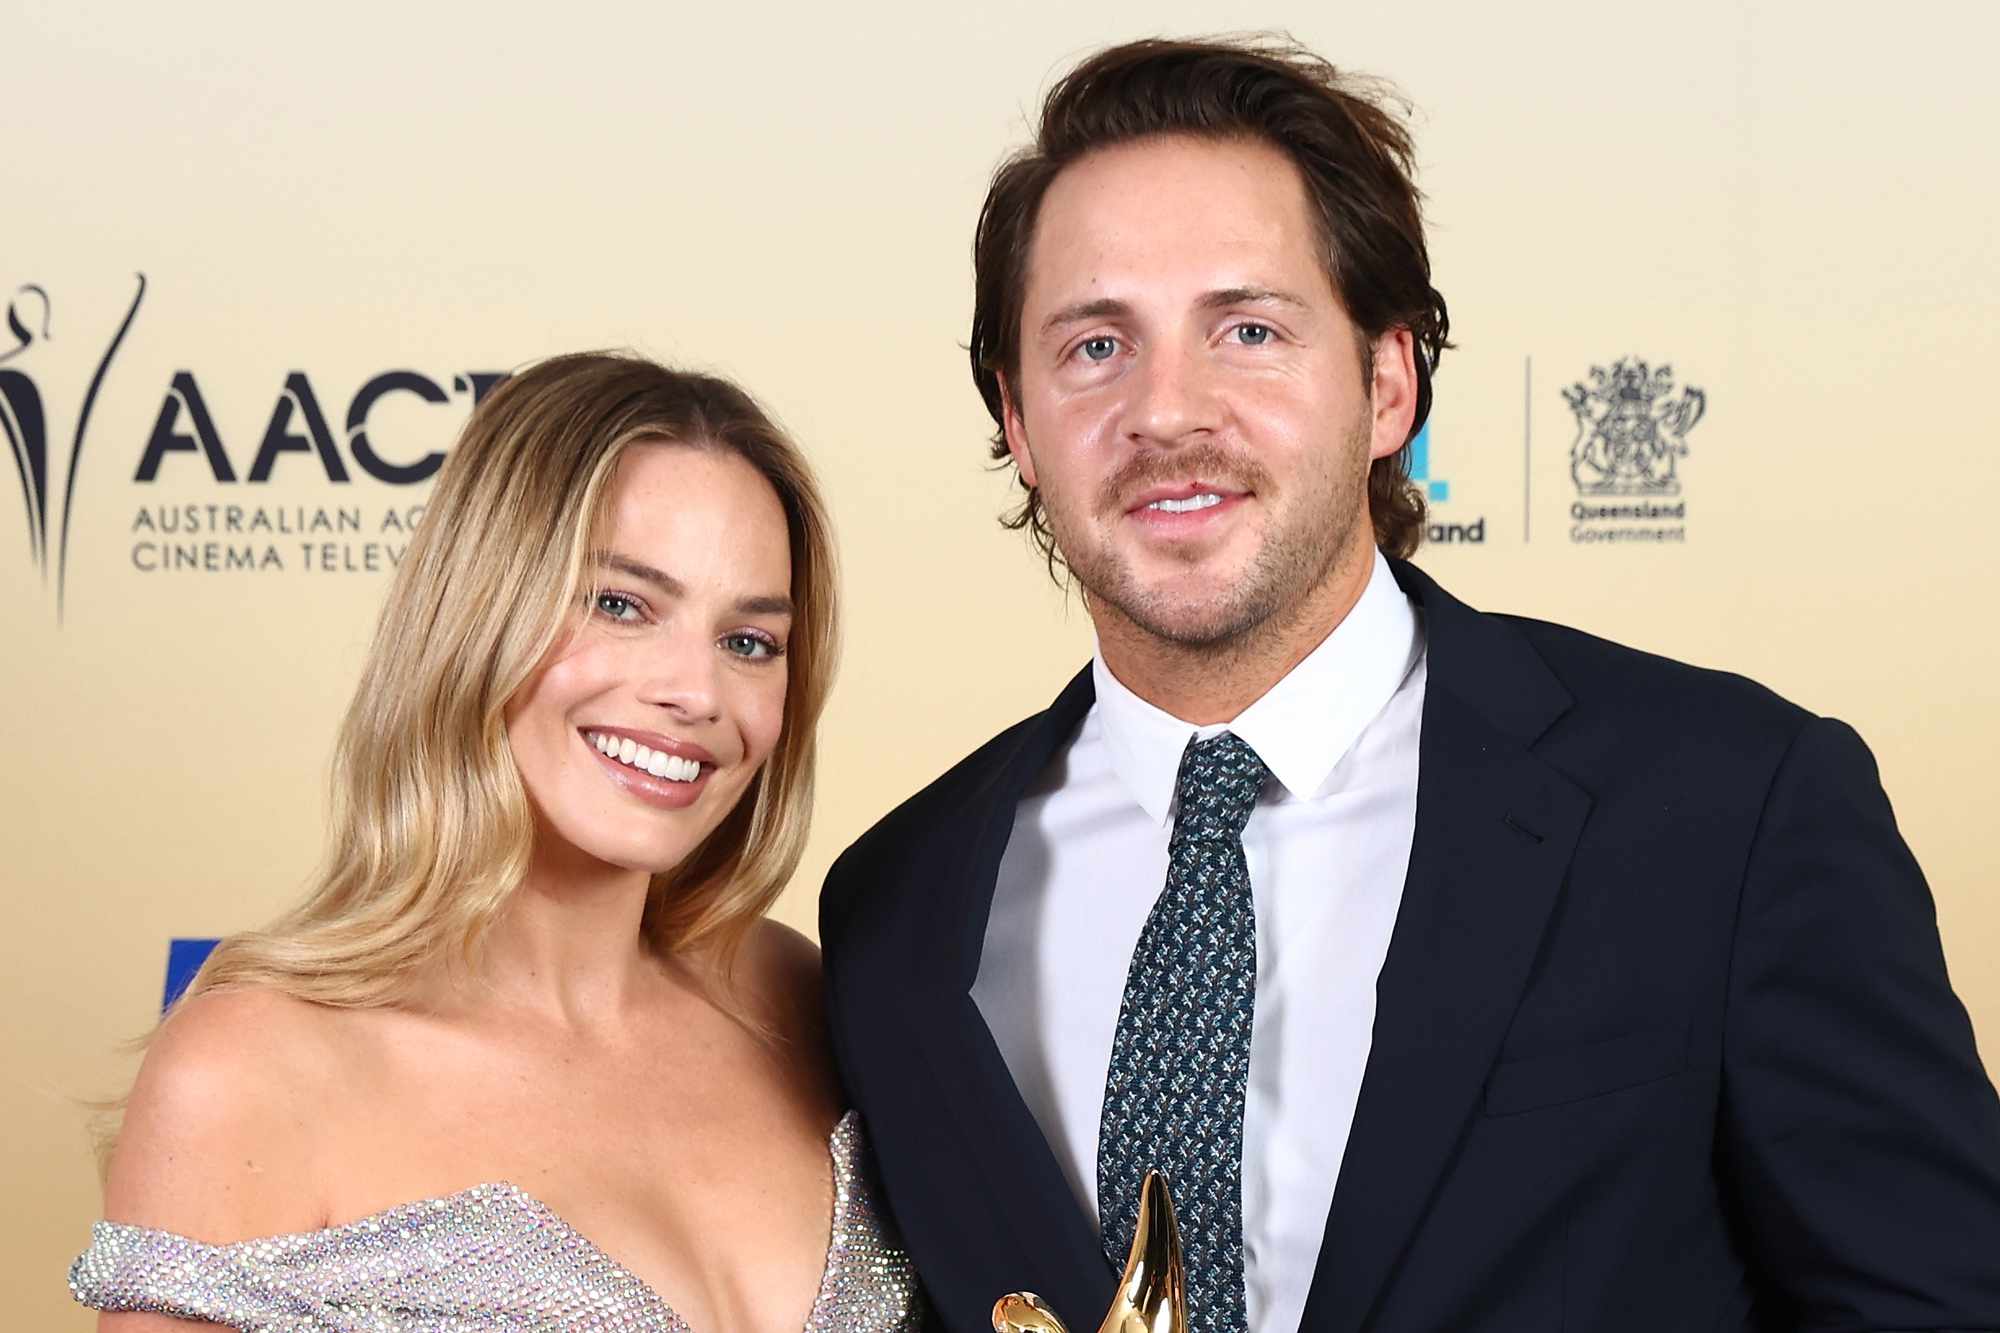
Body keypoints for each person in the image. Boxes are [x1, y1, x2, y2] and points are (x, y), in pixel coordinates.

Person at [819, 36, 2000, 1333]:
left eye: (1249, 329)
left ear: (1389, 384)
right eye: (1096, 346)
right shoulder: (897, 906)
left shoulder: (1729, 807)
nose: (1168, 409)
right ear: (1016, 420)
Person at [72, 352, 925, 1332]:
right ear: (478, 610)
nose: (695, 693)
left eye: (748, 642)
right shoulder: (250, 1069)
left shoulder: (801, 1000)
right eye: (620, 604)